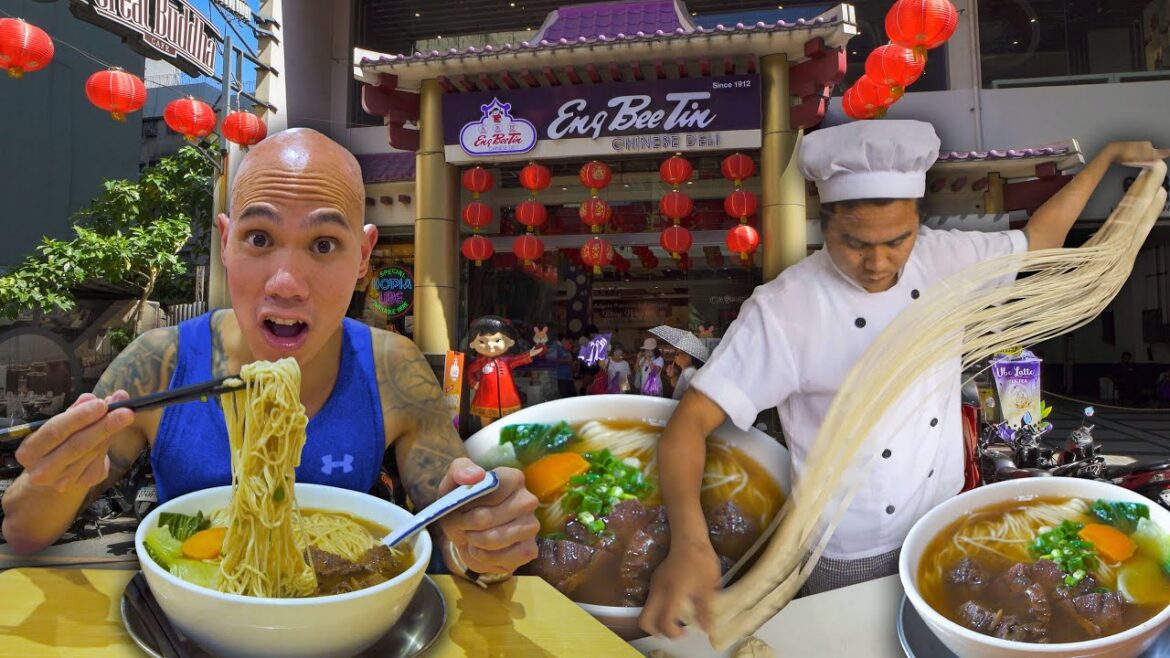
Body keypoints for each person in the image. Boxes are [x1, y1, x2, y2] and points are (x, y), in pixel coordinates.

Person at [639, 120, 1169, 637]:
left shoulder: (945, 259)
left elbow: (1038, 240)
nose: (878, 262)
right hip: (846, 550)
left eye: (898, 240)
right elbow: (688, 424)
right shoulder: (785, 309)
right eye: (855, 243)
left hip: (943, 525)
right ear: (825, 225)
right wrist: (689, 543)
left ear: (918, 219)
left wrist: (1103, 161)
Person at [1, 129, 540, 585]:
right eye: (259, 238)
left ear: (364, 257)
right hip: (197, 610)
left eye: (324, 244)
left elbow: (456, 525)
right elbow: (23, 533)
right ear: (226, 243)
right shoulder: (159, 362)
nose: (286, 285)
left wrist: (483, 538)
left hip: (334, 613)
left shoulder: (392, 367)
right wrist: (55, 481)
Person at [467, 315, 543, 427]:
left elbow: (519, 360)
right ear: (473, 345)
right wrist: (474, 383)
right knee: (486, 421)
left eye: (497, 340)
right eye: (482, 342)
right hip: (486, 398)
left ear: (510, 342)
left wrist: (530, 354)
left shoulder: (507, 361)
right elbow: (470, 372)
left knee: (508, 421)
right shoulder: (480, 362)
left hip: (507, 398)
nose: (490, 345)